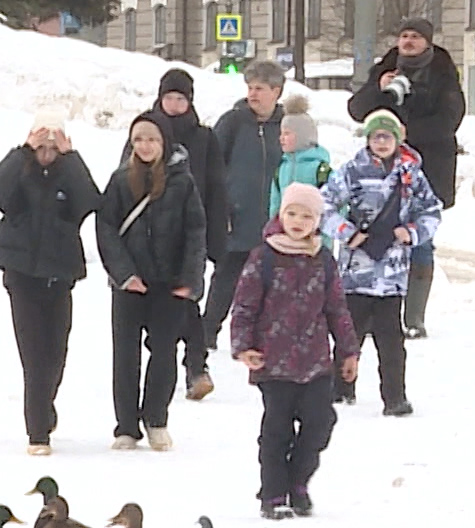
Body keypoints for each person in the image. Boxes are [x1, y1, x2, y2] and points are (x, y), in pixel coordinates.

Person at [229, 184, 360, 519]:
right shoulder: (264, 257)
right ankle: (273, 494)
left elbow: (337, 310)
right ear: (280, 214)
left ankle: (298, 483)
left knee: (320, 423)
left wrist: (348, 352)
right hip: (273, 362)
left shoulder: (324, 260)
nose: (298, 221)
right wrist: (244, 346)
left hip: (316, 362)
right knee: (277, 431)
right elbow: (244, 305)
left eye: (307, 215)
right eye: (292, 213)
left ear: (317, 221)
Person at [0, 108, 102, 456]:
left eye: (54, 140)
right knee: (34, 355)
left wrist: (72, 157)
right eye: (42, 139)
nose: (47, 147)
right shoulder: (20, 171)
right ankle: (38, 432)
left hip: (60, 276)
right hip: (22, 277)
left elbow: (91, 202)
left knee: (56, 354)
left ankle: (44, 407)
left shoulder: (68, 174)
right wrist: (22, 150)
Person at [346, 17, 466, 340]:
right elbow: (356, 110)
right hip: (382, 173)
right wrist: (378, 89)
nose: (408, 41)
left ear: (427, 41)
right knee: (377, 239)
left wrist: (403, 133)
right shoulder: (386, 67)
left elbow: (449, 119)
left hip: (427, 169)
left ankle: (414, 317)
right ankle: (376, 312)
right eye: (404, 36)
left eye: (415, 36)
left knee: (419, 241)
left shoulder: (442, 71)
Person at [96, 111, 208, 451]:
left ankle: (156, 418)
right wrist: (124, 275)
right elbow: (106, 230)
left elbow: (195, 231)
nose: (145, 146)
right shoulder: (119, 181)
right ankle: (126, 426)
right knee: (125, 356)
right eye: (139, 139)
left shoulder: (182, 182)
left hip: (168, 283)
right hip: (130, 284)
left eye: (152, 139)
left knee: (163, 353)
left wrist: (190, 278)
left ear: (164, 143)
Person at [320, 110, 442, 417]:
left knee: (391, 340)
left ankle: (394, 397)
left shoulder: (411, 174)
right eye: (376, 137)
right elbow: (323, 206)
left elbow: (431, 211)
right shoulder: (352, 171)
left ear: (398, 140)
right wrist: (347, 233)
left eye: (388, 137)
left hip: (392, 274)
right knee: (349, 334)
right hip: (355, 272)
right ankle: (340, 388)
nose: (382, 142)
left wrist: (411, 233)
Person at [142, 68, 229, 402]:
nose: (175, 104)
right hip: (151, 238)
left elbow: (216, 187)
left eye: (181, 98)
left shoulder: (204, 137)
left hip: (190, 235)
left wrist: (217, 237)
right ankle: (175, 363)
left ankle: (196, 366)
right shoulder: (145, 133)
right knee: (164, 304)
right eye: (169, 98)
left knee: (188, 298)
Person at [204, 60, 288, 362]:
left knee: (273, 282)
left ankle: (268, 336)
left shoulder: (288, 124)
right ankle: (207, 332)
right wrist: (220, 206)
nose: (253, 94)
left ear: (276, 91)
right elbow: (211, 165)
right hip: (237, 217)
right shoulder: (233, 122)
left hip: (277, 220)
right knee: (226, 278)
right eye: (250, 88)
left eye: (260, 89)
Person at [269, 96, 333, 217]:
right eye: (281, 133)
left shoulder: (319, 170)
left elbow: (334, 204)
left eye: (287, 133)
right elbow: (275, 204)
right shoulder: (282, 169)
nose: (281, 138)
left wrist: (325, 234)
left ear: (302, 136)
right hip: (286, 234)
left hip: (313, 233)